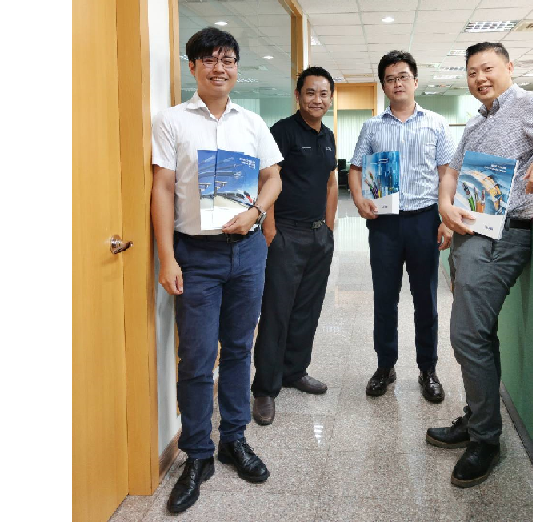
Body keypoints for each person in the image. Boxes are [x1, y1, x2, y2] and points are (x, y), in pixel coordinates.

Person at [428, 42, 533, 487]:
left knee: (467, 335)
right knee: (477, 334)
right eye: (472, 72)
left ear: (508, 67)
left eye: (488, 68)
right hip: (469, 231)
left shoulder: (529, 104)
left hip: (501, 237)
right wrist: (445, 207)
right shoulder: (478, 120)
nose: (480, 78)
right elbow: (452, 172)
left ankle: (485, 439)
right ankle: (477, 417)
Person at [151, 27, 283, 514]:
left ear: (236, 68)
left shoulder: (251, 122)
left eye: (227, 59)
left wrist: (255, 214)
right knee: (197, 357)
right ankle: (197, 454)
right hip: (196, 255)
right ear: (193, 67)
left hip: (246, 251)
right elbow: (163, 189)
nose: (219, 67)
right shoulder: (171, 121)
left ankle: (234, 439)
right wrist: (167, 256)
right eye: (209, 59)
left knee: (239, 348)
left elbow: (273, 178)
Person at [348, 50, 455, 403]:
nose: (397, 83)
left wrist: (447, 219)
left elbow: (446, 174)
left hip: (424, 219)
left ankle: (428, 369)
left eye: (403, 77)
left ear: (415, 81)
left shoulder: (436, 123)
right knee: (385, 298)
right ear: (383, 86)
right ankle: (385, 366)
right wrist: (359, 199)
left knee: (426, 300)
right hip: (385, 223)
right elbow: (355, 169)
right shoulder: (372, 127)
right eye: (390, 79)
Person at [251, 67, 338, 425]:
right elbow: (268, 179)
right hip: (285, 234)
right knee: (277, 311)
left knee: (307, 309)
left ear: (330, 98)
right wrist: (269, 229)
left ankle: (295, 371)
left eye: (323, 93)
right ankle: (265, 388)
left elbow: (331, 183)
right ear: (298, 96)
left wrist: (328, 229)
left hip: (318, 237)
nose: (317, 99)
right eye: (310, 92)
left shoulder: (328, 136)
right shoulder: (282, 132)